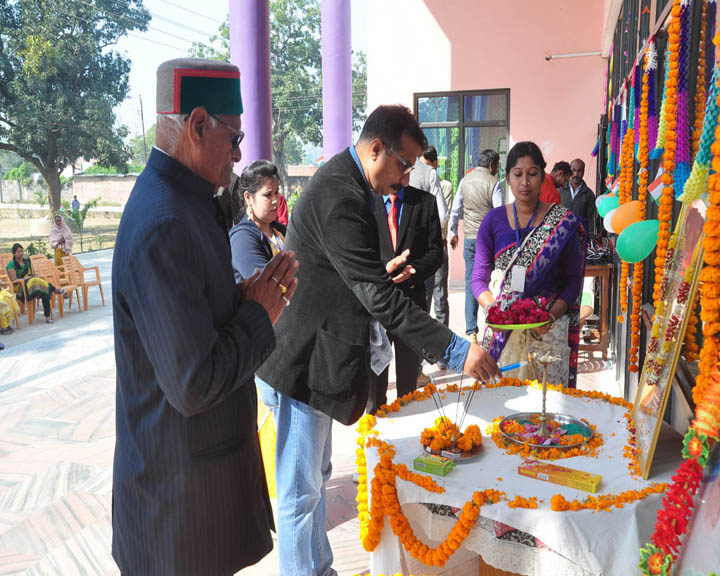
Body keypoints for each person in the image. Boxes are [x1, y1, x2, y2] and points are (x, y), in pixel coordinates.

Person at [255, 104, 500, 576]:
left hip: (319, 354)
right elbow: (378, 298)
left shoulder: (354, 183)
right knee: (299, 492)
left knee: (315, 480)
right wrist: (456, 350)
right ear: (376, 149)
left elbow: (350, 273)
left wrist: (375, 274)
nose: (406, 178)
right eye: (404, 165)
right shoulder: (341, 194)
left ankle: (319, 569)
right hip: (304, 359)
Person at [111, 58, 299, 576]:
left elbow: (192, 319)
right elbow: (193, 383)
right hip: (177, 506)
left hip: (194, 490)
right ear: (197, 125)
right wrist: (259, 314)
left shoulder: (187, 202)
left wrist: (238, 301)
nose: (238, 156)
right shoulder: (165, 221)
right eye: (234, 139)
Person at [473, 142, 587, 388]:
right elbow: (478, 280)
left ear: (543, 177)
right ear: (507, 178)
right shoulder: (493, 221)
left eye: (532, 174)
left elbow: (572, 283)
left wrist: (551, 316)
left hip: (549, 336)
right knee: (502, 403)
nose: (525, 182)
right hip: (502, 336)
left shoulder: (562, 223)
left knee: (548, 406)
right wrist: (495, 310)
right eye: (518, 174)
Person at [367, 175, 443, 413]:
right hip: (377, 302)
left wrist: (415, 270)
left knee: (409, 380)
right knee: (375, 380)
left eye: (408, 167)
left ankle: (407, 421)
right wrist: (382, 271)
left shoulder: (424, 202)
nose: (403, 172)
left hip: (411, 303)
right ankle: (375, 421)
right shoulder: (367, 202)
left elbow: (435, 252)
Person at [229, 160, 286, 420]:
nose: (275, 200)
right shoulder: (243, 237)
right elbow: (270, 286)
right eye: (267, 194)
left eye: (277, 193)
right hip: (269, 351)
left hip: (288, 343)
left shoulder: (279, 231)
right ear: (248, 198)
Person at [448, 149, 500, 342]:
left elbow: (455, 211)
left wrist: (454, 233)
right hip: (488, 241)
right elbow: (499, 213)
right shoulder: (494, 182)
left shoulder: (464, 181)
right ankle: (492, 325)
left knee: (472, 281)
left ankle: (471, 331)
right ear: (492, 165)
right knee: (491, 281)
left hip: (469, 239)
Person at [421, 146, 454, 332]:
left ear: (434, 164)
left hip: (439, 243)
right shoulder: (415, 180)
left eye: (427, 165)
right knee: (423, 294)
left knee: (440, 294)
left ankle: (442, 339)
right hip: (422, 247)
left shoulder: (445, 186)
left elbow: (443, 219)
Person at [5, 243, 63, 324]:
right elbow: (14, 280)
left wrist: (33, 276)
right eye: (18, 252)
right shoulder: (11, 265)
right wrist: (28, 278)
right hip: (20, 288)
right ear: (14, 253)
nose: (21, 253)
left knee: (44, 290)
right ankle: (54, 289)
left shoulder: (27, 261)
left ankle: (47, 317)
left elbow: (30, 274)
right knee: (38, 283)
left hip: (33, 286)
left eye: (22, 251)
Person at [560, 158, 597, 235]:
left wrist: (590, 236)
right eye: (573, 170)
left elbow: (591, 220)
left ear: (583, 172)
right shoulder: (560, 191)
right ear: (569, 171)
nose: (576, 174)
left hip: (579, 237)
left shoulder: (588, 194)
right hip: (560, 235)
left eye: (579, 171)